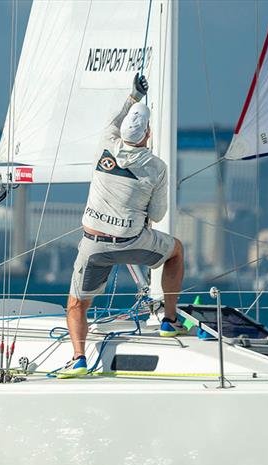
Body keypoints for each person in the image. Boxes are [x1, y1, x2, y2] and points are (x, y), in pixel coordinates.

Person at [61, 73, 186, 378]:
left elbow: (113, 122)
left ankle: (79, 358)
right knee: (176, 252)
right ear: (148, 134)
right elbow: (156, 215)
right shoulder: (156, 167)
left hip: (94, 245)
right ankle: (169, 321)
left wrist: (133, 97)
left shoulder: (106, 143)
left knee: (76, 304)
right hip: (132, 242)